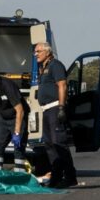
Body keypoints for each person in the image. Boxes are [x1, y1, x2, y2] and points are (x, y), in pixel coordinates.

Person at [34, 42, 77, 187]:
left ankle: (70, 177)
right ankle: (56, 176)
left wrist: (61, 107)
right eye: (35, 51)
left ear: (47, 52)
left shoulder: (55, 65)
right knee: (49, 144)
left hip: (54, 108)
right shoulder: (43, 68)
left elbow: (62, 85)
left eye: (38, 51)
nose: (36, 54)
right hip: (45, 109)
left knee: (59, 143)